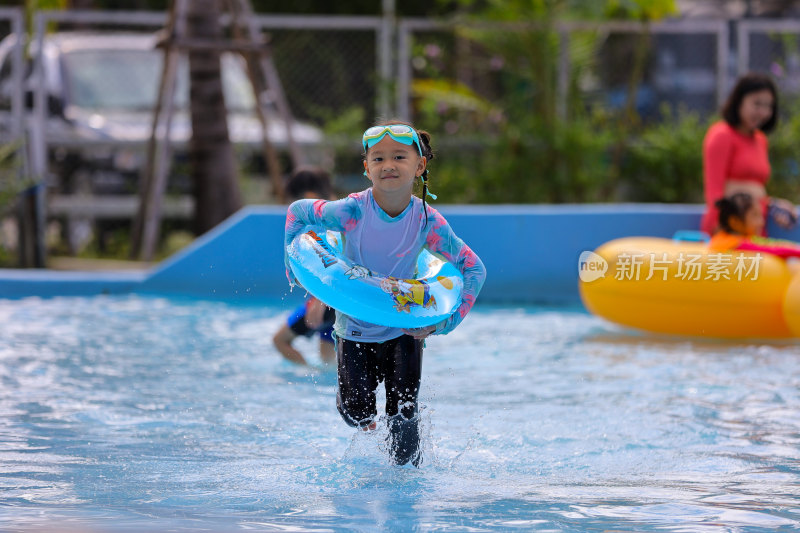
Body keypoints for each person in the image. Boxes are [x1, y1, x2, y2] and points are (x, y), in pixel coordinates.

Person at [283, 121, 486, 465]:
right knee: (356, 412)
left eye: (398, 157)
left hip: (405, 328)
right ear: (366, 168)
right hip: (356, 328)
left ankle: (406, 491)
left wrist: (443, 324)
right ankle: (349, 405)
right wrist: (295, 265)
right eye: (377, 159)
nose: (388, 165)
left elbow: (473, 269)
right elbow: (297, 213)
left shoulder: (427, 222)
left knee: (404, 424)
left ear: (419, 166)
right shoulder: (351, 211)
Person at [701, 73, 797, 236]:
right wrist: (728, 229)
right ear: (739, 101)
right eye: (757, 104)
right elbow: (715, 195)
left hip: (755, 227)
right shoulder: (721, 135)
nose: (763, 112)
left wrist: (773, 205)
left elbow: (753, 192)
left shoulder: (760, 139)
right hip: (729, 228)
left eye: (769, 106)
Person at [273, 167, 337, 366]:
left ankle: (306, 377)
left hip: (329, 296)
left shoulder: (319, 214)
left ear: (308, 195)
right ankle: (318, 379)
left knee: (280, 340)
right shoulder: (338, 209)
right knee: (329, 361)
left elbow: (334, 259)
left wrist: (320, 299)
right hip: (335, 296)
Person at [709, 192, 800, 258]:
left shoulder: (744, 238)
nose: (762, 222)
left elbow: (771, 243)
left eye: (761, 216)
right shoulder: (734, 244)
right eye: (755, 216)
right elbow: (774, 251)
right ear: (735, 222)